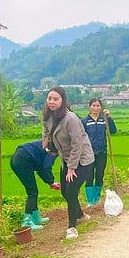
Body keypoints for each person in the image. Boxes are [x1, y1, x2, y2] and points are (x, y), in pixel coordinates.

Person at [42, 86, 95, 239]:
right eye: (49, 98)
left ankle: (72, 227)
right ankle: (81, 215)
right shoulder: (47, 115)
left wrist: (72, 168)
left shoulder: (71, 119)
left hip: (82, 160)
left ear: (62, 101)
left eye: (56, 99)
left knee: (71, 192)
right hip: (65, 158)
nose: (52, 102)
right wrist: (46, 141)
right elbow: (45, 129)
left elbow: (77, 144)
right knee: (65, 191)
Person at [10, 139, 61, 230]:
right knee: (32, 192)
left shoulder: (48, 143)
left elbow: (41, 168)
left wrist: (50, 182)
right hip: (24, 160)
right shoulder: (54, 148)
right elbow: (46, 167)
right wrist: (52, 182)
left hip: (16, 158)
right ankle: (27, 222)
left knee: (33, 190)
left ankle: (36, 217)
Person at [81, 98, 117, 207]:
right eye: (93, 105)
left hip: (102, 151)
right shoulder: (85, 121)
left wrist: (109, 118)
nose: (96, 108)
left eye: (98, 106)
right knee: (89, 176)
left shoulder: (103, 120)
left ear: (100, 107)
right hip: (89, 153)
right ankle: (90, 201)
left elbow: (113, 131)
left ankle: (96, 199)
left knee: (100, 175)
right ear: (89, 107)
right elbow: (81, 136)